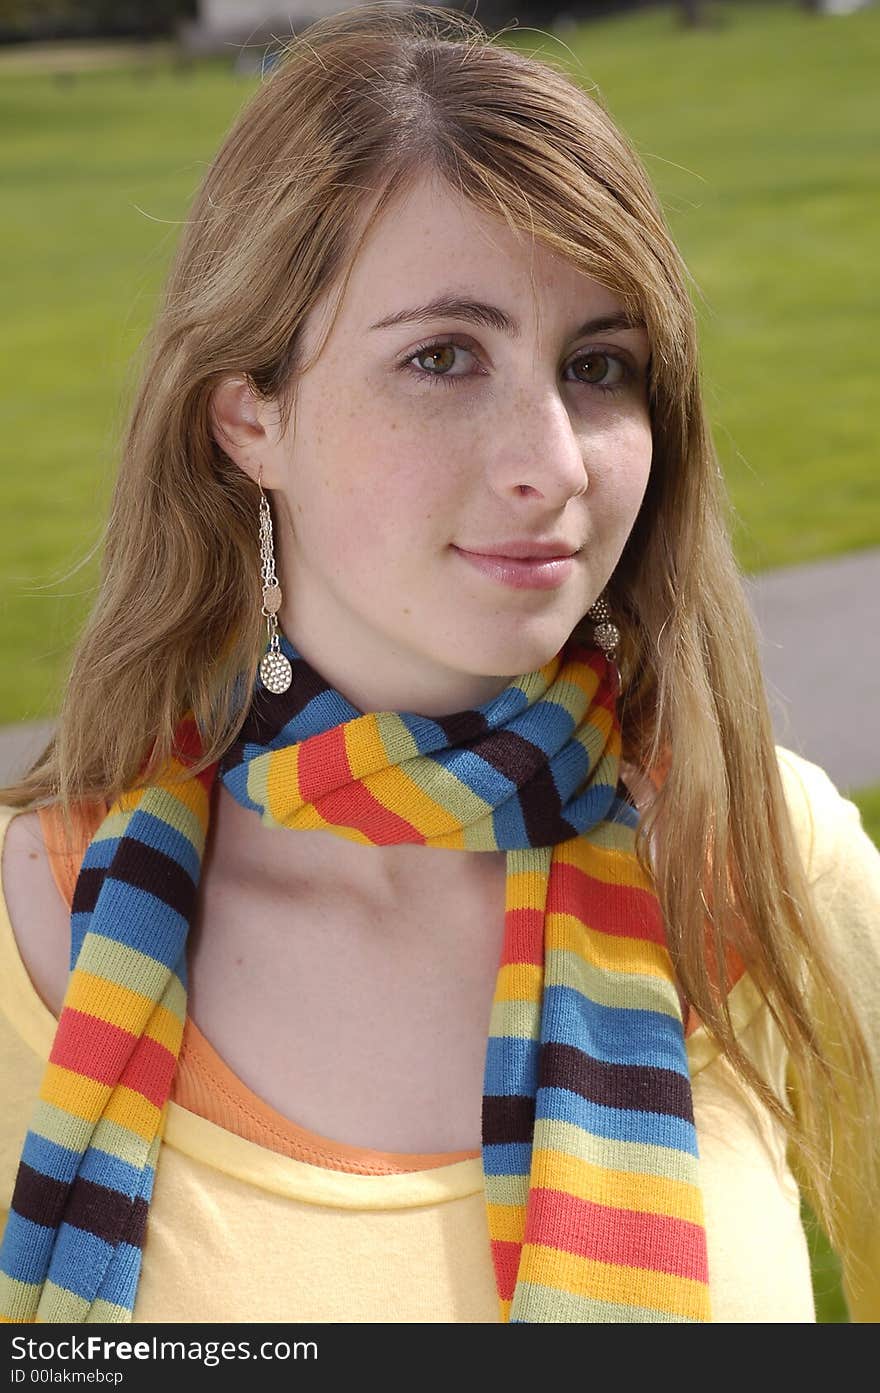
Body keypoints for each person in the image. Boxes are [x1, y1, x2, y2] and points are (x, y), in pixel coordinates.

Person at [0, 2, 878, 1326]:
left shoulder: (763, 853)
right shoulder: (27, 939)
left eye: (598, 366)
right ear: (251, 417)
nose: (553, 460)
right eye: (443, 356)